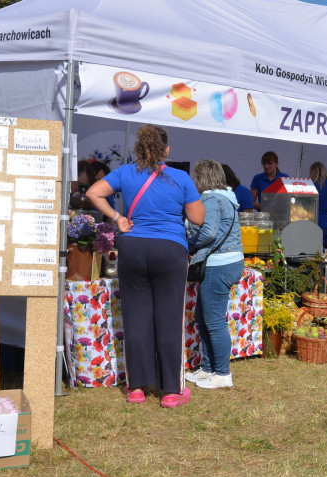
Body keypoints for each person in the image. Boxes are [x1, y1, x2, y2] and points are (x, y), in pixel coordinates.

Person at [86, 125, 204, 407]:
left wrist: (118, 217)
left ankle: (137, 388)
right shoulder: (180, 177)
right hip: (170, 250)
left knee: (135, 318)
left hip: (134, 248)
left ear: (138, 149)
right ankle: (171, 392)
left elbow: (93, 192)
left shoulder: (125, 173)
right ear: (166, 150)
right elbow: (197, 218)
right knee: (169, 319)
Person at [184, 160, 244, 389]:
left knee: (214, 321)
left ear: (202, 178)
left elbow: (207, 233)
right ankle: (208, 369)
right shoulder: (227, 197)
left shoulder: (211, 199)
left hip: (219, 264)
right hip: (229, 261)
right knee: (203, 317)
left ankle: (222, 374)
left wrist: (189, 243)